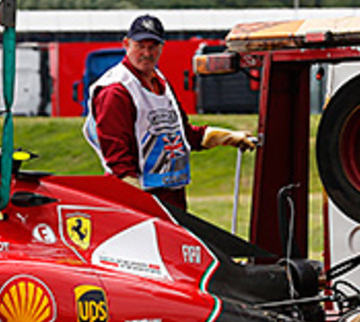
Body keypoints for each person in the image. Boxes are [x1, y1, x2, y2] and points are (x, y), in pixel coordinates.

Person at [83, 14, 256, 210]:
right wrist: (139, 203)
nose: (147, 53)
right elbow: (119, 162)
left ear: (161, 47)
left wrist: (229, 137)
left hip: (172, 196)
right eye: (140, 46)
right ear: (126, 44)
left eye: (153, 46)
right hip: (141, 199)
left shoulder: (161, 82)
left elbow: (185, 135)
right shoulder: (115, 91)